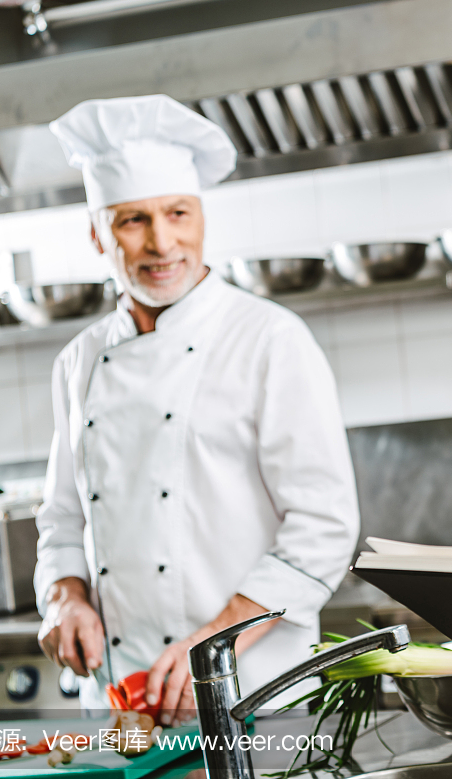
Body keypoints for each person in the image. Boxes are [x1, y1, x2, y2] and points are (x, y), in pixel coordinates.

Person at [33, 94, 359, 722]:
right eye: (132, 221)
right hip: (125, 703)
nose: (162, 242)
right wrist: (63, 597)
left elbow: (323, 526)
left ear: (201, 216)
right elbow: (62, 519)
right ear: (97, 233)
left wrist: (215, 646)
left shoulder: (269, 339)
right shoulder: (78, 360)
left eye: (178, 213)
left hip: (257, 698)